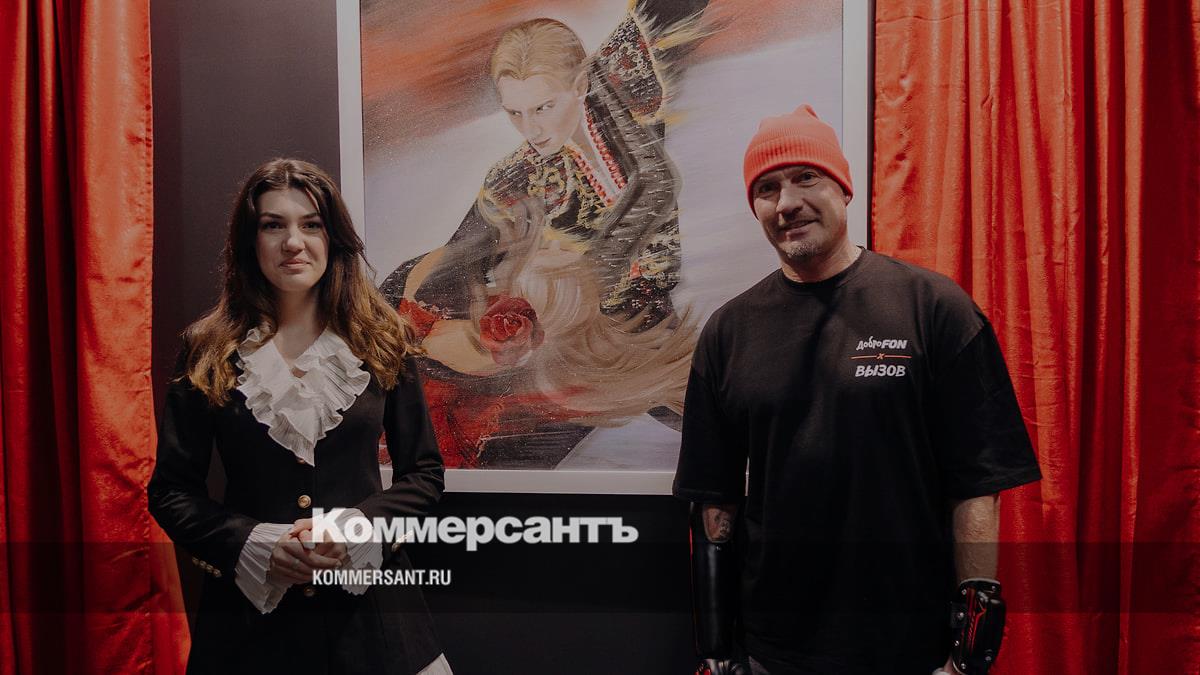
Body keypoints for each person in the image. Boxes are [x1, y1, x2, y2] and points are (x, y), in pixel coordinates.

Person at [672, 106, 1042, 674]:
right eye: (767, 188)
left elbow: (978, 485)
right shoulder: (729, 332)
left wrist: (968, 656)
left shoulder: (934, 309)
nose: (787, 202)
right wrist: (717, 651)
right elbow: (714, 502)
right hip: (775, 648)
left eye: (806, 177)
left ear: (843, 188)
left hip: (907, 646)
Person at [148, 159, 452, 674]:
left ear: (333, 238)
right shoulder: (207, 349)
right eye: (273, 225)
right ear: (250, 241)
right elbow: (171, 492)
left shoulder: (384, 341)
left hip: (374, 626)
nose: (294, 242)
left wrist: (360, 527)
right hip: (249, 633)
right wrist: (254, 543)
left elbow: (424, 474)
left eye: (311, 224)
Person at [379, 6, 706, 468]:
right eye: (514, 113)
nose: (531, 129)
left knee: (711, 415)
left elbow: (655, 181)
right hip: (591, 333)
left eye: (543, 108)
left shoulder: (623, 70)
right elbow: (452, 270)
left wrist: (588, 277)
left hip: (628, 314)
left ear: (580, 85)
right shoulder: (518, 174)